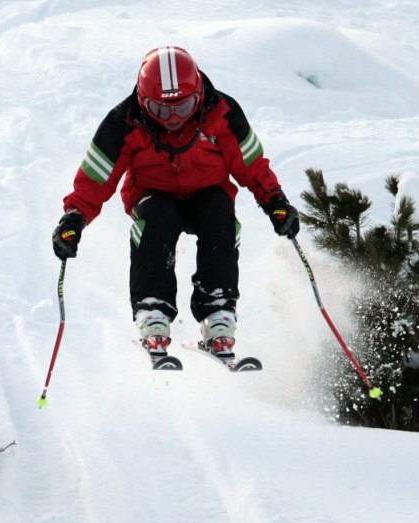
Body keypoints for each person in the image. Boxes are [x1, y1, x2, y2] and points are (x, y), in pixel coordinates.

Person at [52, 46, 300, 358]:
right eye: (160, 109)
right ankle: (153, 310)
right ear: (143, 102)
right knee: (156, 216)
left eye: (183, 108)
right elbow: (96, 176)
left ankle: (218, 311)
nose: (172, 119)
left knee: (219, 213)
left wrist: (274, 202)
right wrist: (74, 217)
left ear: (199, 96)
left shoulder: (222, 112)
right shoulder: (124, 122)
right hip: (153, 192)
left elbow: (251, 164)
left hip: (208, 191)